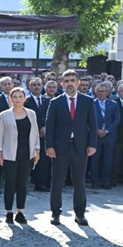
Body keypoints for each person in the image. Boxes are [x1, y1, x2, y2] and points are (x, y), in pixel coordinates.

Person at [45, 70, 97, 226]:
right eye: (66, 80)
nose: (69, 83)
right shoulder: (55, 102)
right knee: (57, 182)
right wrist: (50, 146)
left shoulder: (88, 101)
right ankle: (55, 213)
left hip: (80, 147)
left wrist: (92, 144)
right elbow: (50, 126)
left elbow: (93, 125)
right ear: (62, 84)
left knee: (79, 182)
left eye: (72, 80)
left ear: (78, 82)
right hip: (60, 148)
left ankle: (80, 214)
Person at [0, 87, 39, 224]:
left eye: (20, 96)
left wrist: (37, 150)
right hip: (9, 154)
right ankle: (8, 211)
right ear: (11, 98)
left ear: (25, 98)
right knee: (10, 184)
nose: (18, 99)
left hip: (27, 153)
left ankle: (20, 212)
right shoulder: (4, 115)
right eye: (15, 96)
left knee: (22, 184)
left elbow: (36, 133)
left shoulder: (31, 114)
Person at [90, 81, 119, 189]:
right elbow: (88, 120)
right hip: (95, 136)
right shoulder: (91, 103)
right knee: (95, 159)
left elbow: (116, 120)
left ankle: (105, 181)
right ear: (95, 92)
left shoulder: (113, 104)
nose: (101, 93)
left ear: (107, 92)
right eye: (99, 91)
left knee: (108, 160)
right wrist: (97, 130)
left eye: (103, 91)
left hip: (109, 136)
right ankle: (94, 181)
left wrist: (106, 131)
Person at [24, 77, 51, 191]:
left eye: (39, 84)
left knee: (45, 161)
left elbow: (51, 117)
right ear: (29, 87)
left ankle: (43, 183)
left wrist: (45, 128)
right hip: (31, 134)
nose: (37, 87)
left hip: (46, 135)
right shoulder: (26, 101)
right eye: (34, 85)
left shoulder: (48, 101)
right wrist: (39, 128)